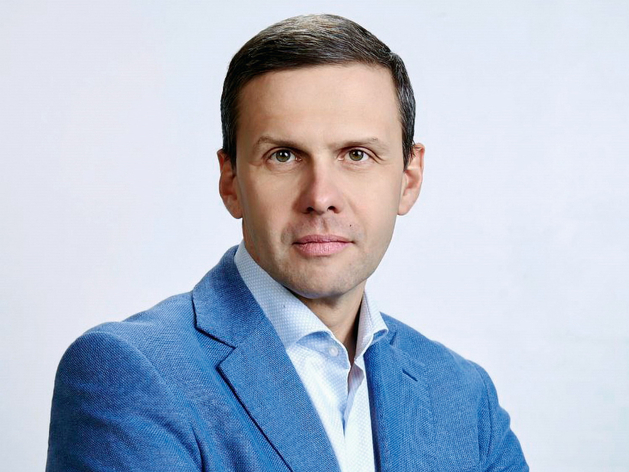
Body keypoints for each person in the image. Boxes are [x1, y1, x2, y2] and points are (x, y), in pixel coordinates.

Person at [46, 14, 528, 472]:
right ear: (231, 181)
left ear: (409, 177)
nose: (320, 197)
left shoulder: (464, 398)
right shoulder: (130, 373)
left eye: (356, 154)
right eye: (283, 156)